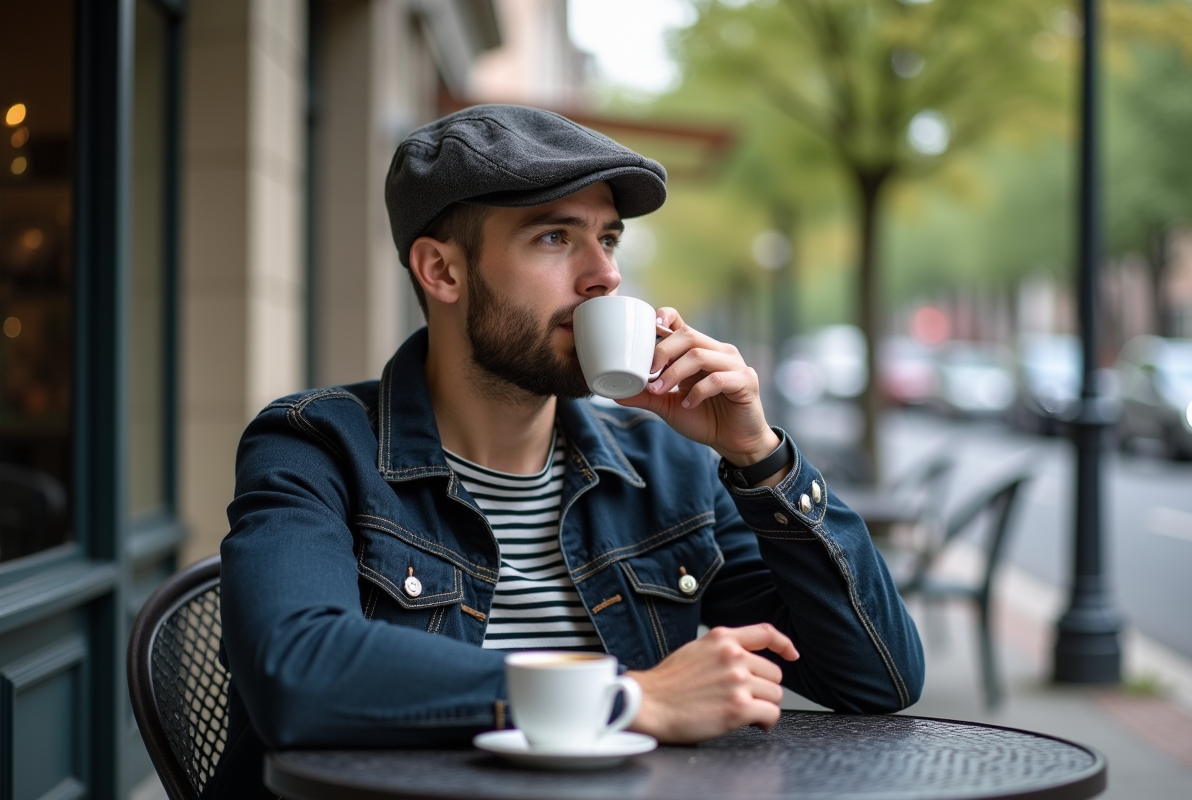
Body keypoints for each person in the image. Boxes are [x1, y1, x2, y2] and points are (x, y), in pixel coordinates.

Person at [206, 104, 923, 796]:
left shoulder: (663, 468)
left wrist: (758, 458)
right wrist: (628, 698)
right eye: (554, 237)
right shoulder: (317, 445)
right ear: (442, 271)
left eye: (608, 239)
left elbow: (878, 680)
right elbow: (293, 670)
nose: (604, 276)